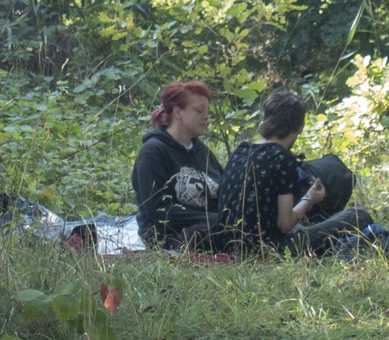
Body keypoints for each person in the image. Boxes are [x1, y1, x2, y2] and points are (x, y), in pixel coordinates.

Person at [218, 90, 372, 255]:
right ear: (300, 127)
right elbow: (284, 224)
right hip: (267, 250)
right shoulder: (283, 158)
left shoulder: (241, 150)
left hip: (227, 245)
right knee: (359, 215)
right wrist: (310, 199)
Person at [131, 81, 225, 249]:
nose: (206, 116)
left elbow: (224, 189)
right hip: (171, 236)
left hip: (212, 225)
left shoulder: (202, 151)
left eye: (207, 111)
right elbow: (157, 210)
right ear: (177, 112)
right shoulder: (153, 152)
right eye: (199, 110)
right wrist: (215, 219)